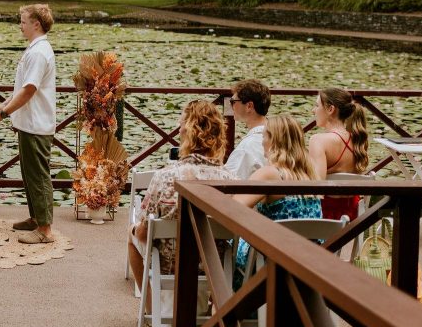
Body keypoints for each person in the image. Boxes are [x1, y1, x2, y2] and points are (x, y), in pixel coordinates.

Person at [128, 100, 234, 314]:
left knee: (132, 236)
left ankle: (150, 313)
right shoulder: (231, 180)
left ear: (187, 132)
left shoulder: (165, 177)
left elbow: (143, 231)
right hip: (214, 267)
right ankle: (212, 319)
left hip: (170, 265)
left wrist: (138, 231)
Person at [0, 4, 58, 244]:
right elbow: (22, 87)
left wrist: (4, 113)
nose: (20, 25)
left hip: (36, 123)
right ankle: (36, 218)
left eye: (23, 21)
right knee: (30, 174)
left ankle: (45, 229)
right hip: (30, 122)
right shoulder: (36, 49)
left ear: (36, 24)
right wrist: (4, 104)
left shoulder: (39, 52)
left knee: (38, 175)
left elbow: (29, 90)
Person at [233, 114, 322, 279]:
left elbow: (232, 208)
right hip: (309, 265)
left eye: (264, 135)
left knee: (220, 248)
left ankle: (222, 302)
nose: (261, 141)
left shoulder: (269, 174)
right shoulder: (311, 176)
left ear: (273, 140)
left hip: (271, 263)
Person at [309, 88, 369, 221]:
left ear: (330, 109)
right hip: (354, 219)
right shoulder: (358, 140)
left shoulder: (318, 141)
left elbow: (315, 189)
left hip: (325, 219)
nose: (313, 110)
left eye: (317, 105)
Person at [224, 79, 270, 180]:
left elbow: (228, 183)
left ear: (249, 106)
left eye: (233, 102)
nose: (231, 106)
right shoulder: (279, 134)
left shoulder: (246, 148)